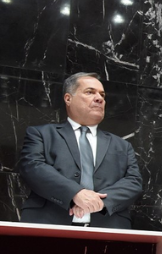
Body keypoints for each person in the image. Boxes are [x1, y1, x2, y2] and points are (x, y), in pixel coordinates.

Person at [18, 72, 143, 228]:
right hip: (47, 225)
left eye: (102, 95)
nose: (99, 98)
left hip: (108, 229)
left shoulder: (122, 146)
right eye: (90, 92)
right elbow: (32, 167)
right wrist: (75, 193)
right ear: (68, 98)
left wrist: (98, 202)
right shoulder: (41, 134)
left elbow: (134, 182)